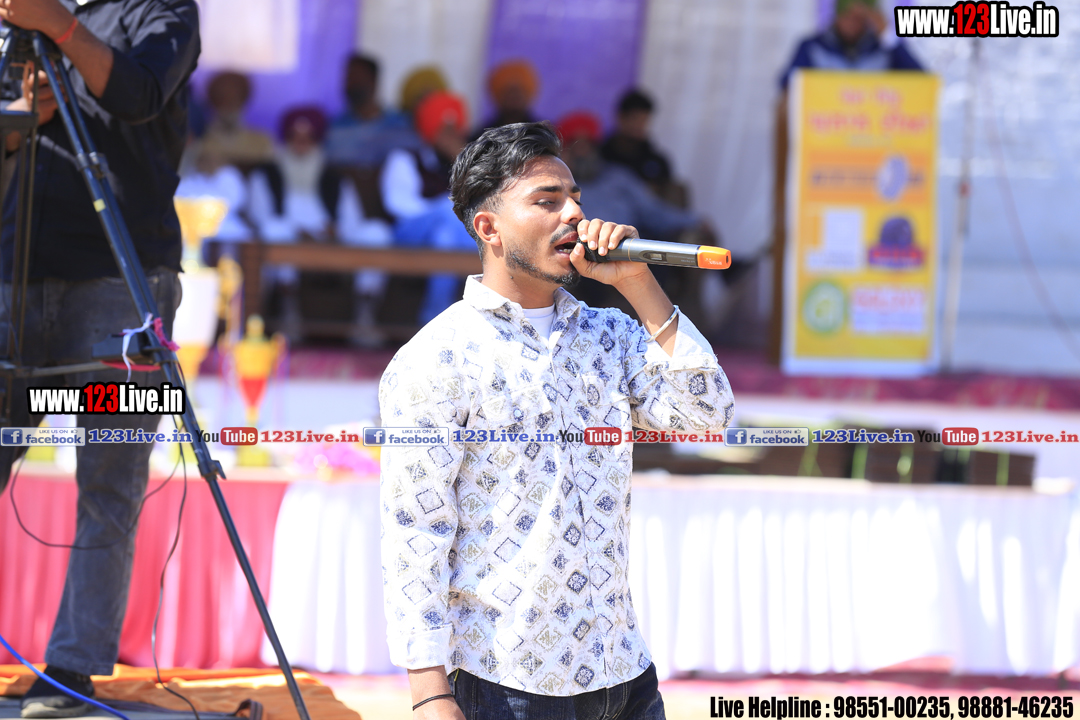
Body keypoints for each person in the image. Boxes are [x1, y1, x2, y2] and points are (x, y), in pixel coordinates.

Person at [378, 122, 734, 719]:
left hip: (622, 668)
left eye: (574, 198)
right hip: (507, 678)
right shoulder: (436, 359)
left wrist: (638, 282)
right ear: (488, 228)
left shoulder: (610, 333)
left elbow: (707, 417)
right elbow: (416, 532)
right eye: (546, 201)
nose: (573, 214)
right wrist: (429, 692)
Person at [0, 0, 199, 717]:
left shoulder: (161, 8)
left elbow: (139, 94)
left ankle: (71, 672)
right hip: (13, 275)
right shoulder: (11, 18)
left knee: (109, 481)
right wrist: (18, 122)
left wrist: (59, 26)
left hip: (122, 285)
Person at [769, 0, 924, 359]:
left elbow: (921, 85)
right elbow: (786, 90)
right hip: (820, 173)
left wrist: (889, 37)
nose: (854, 23)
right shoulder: (812, 48)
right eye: (849, 15)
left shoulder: (883, 51)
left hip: (873, 176)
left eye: (861, 16)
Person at [380, 91, 475, 324]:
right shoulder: (405, 158)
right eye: (444, 128)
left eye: (454, 129)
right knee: (449, 210)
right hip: (408, 234)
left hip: (449, 238)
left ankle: (434, 319)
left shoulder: (466, 164)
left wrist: (463, 162)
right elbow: (398, 204)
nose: (450, 135)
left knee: (444, 238)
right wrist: (443, 209)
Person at [325, 53, 415, 169]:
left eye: (357, 77)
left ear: (374, 81)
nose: (351, 84)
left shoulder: (400, 124)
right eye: (348, 78)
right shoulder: (335, 127)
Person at [599, 89, 674, 198]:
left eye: (644, 120)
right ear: (620, 117)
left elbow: (664, 202)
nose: (639, 125)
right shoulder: (599, 155)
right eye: (635, 118)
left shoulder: (657, 162)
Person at [199, 71, 275, 169]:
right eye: (223, 98)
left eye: (235, 98)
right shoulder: (200, 143)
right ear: (212, 101)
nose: (229, 106)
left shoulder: (262, 141)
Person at [474, 59, 539, 136]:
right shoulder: (483, 136)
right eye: (509, 92)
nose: (514, 96)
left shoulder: (542, 135)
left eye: (518, 92)